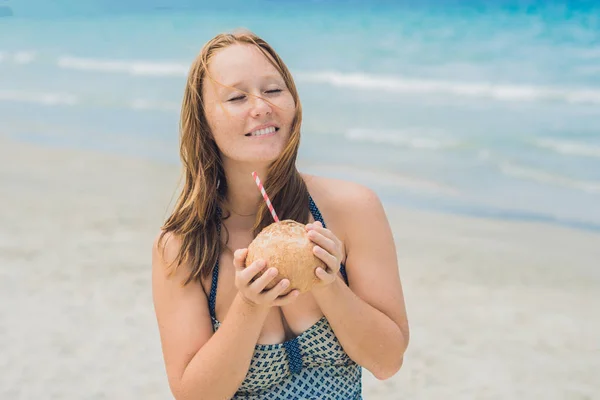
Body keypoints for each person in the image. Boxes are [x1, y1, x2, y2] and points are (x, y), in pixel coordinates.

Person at [151, 30, 409, 400]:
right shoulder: (182, 247)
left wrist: (328, 282)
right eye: (237, 97)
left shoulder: (353, 209)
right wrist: (250, 305)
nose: (261, 107)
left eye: (273, 90)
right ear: (203, 121)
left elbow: (388, 362)